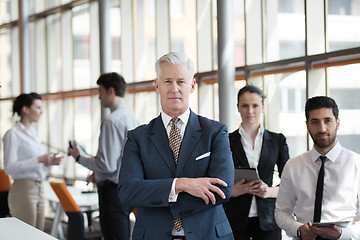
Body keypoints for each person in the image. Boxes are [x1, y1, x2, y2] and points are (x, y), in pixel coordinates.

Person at [118, 52, 234, 240]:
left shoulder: (215, 132)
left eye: (181, 81)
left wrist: (161, 196)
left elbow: (223, 189)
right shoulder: (138, 138)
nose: (174, 89)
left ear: (192, 85)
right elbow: (127, 191)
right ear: (156, 85)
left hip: (207, 235)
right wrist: (180, 185)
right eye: (167, 82)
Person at [275, 96, 360, 240]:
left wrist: (342, 234)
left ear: (337, 123)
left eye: (327, 121)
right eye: (315, 122)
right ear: (307, 125)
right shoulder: (293, 166)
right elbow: (281, 212)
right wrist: (299, 229)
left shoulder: (356, 163)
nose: (322, 128)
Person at [68, 72, 139, 240]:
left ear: (111, 91)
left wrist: (79, 158)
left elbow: (107, 165)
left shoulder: (111, 121)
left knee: (113, 236)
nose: (99, 97)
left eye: (100, 91)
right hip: (126, 188)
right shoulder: (131, 118)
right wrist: (97, 173)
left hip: (112, 192)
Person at [223, 85, 289, 240]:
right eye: (245, 105)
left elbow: (290, 182)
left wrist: (269, 191)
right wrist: (232, 191)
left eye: (255, 105)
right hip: (234, 218)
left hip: (268, 218)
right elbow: (215, 177)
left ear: (263, 107)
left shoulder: (277, 140)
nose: (250, 111)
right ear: (238, 107)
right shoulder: (225, 141)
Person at [2, 92, 63, 230]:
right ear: (25, 109)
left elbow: (37, 166)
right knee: (26, 233)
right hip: (23, 189)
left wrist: (48, 163)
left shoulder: (33, 134)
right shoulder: (13, 134)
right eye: (38, 107)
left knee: (38, 232)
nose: (41, 112)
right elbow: (9, 168)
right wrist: (39, 159)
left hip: (39, 187)